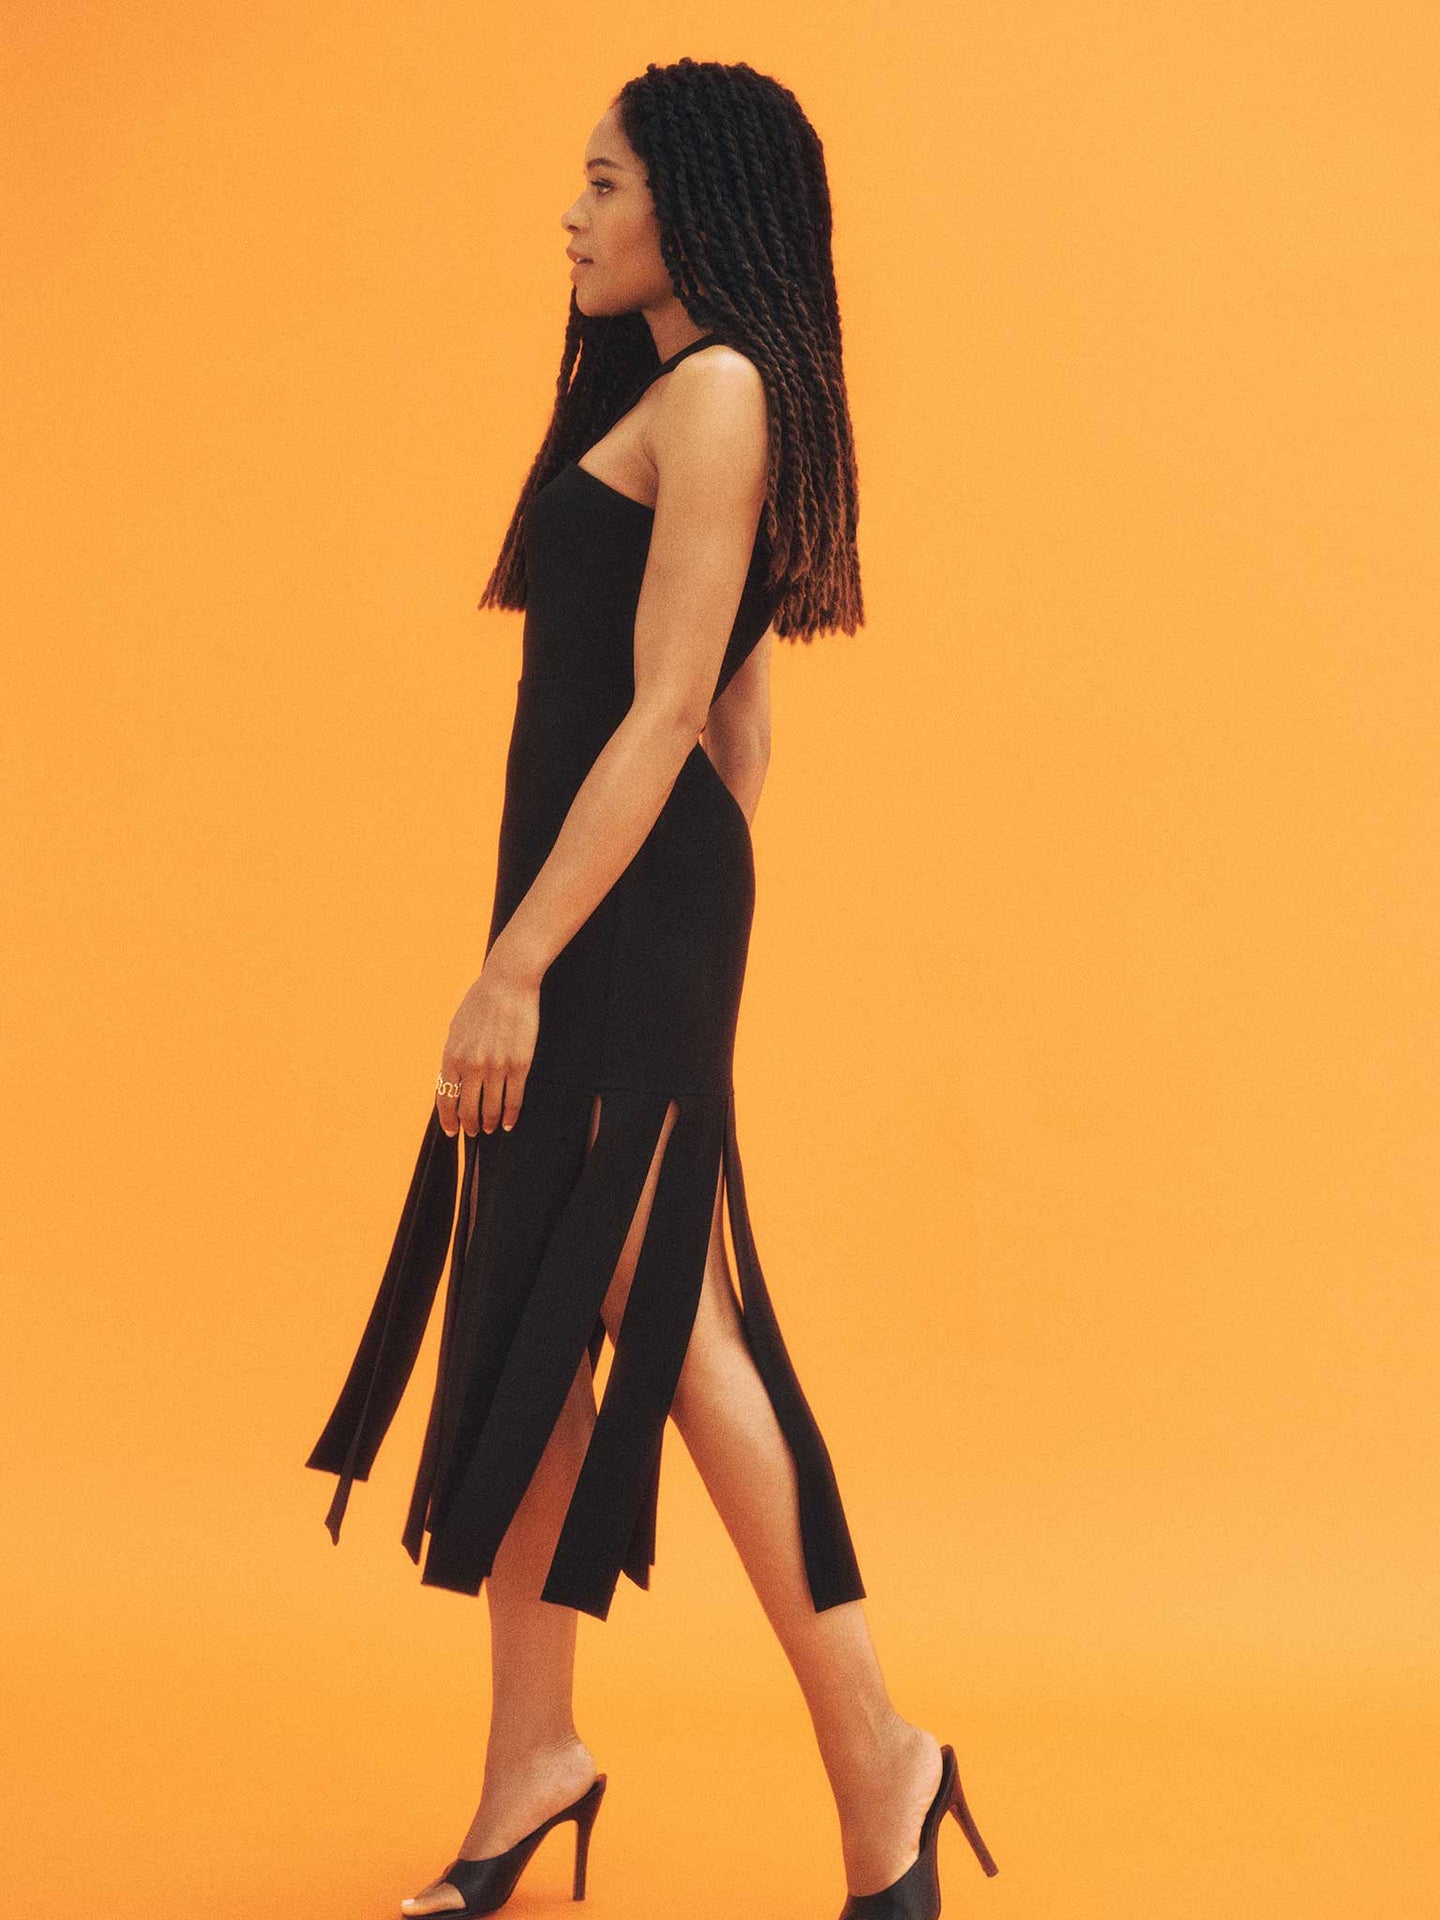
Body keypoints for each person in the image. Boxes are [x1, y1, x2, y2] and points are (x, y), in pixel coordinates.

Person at [305, 57, 999, 1920]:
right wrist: (655, 902)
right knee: (548, 1298)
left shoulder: (721, 393)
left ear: (690, 198)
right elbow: (743, 723)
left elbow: (677, 708)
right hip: (620, 907)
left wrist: (528, 962)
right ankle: (536, 1758)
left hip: (597, 930)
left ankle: (883, 1753)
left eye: (603, 180)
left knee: (664, 1317)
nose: (574, 212)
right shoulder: (682, 390)